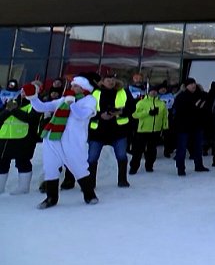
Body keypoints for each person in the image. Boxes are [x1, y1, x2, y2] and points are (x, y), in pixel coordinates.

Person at [23, 75, 100, 208]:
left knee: (79, 167)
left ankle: (89, 195)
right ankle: (51, 198)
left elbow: (82, 115)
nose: (72, 87)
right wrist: (33, 97)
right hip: (52, 136)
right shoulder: (64, 99)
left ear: (83, 88)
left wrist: (72, 104)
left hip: (72, 140)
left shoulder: (89, 100)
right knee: (50, 168)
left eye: (76, 86)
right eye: (72, 85)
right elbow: (42, 107)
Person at [88, 72, 137, 188]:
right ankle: (90, 183)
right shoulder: (95, 93)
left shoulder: (123, 92)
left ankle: (122, 180)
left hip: (118, 131)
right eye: (108, 79)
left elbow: (132, 108)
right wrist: (100, 115)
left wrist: (120, 112)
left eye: (112, 79)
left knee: (121, 156)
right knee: (92, 158)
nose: (111, 81)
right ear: (103, 81)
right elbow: (87, 110)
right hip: (98, 131)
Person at [0, 85, 41, 195]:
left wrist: (14, 110)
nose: (23, 93)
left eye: (26, 91)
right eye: (22, 91)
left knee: (22, 162)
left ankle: (23, 188)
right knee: (2, 163)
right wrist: (8, 109)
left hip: (24, 138)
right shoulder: (12, 102)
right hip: (5, 137)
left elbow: (31, 119)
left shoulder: (35, 104)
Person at [171, 78, 210, 176]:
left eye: (194, 83)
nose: (193, 85)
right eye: (191, 84)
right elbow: (180, 111)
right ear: (186, 86)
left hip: (197, 125)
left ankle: (199, 165)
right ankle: (180, 168)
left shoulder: (200, 95)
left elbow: (205, 105)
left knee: (198, 147)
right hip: (183, 126)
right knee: (182, 148)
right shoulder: (181, 97)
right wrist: (195, 108)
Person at [129, 85, 168, 174]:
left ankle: (149, 165)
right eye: (151, 91)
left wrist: (165, 127)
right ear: (148, 92)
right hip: (142, 130)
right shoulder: (141, 102)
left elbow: (165, 117)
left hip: (155, 130)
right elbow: (135, 114)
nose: (153, 93)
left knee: (152, 149)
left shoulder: (161, 103)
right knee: (138, 150)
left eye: (155, 91)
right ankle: (134, 167)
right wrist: (147, 113)